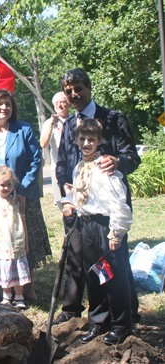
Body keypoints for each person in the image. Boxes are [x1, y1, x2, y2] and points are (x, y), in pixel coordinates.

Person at [54, 68, 141, 326]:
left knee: (115, 266)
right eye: (68, 91)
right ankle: (93, 317)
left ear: (89, 88)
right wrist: (66, 191)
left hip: (108, 211)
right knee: (84, 264)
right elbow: (61, 164)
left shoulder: (113, 119)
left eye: (78, 88)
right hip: (78, 208)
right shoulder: (69, 125)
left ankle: (126, 317)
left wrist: (118, 161)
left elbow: (132, 158)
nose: (74, 94)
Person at [0, 89, 51, 301]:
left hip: (21, 195)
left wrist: (22, 190)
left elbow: (36, 161)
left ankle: (27, 286)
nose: (3, 107)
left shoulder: (23, 129)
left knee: (24, 238)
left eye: (7, 104)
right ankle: (0, 286)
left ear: (12, 108)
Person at [58, 118, 134, 344]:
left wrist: (116, 233)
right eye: (83, 139)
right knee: (93, 276)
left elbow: (119, 201)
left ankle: (121, 325)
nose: (87, 143)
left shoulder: (104, 165)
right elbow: (81, 194)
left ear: (99, 141)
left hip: (105, 226)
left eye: (92, 139)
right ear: (76, 141)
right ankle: (99, 322)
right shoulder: (79, 166)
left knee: (112, 276)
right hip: (86, 225)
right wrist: (69, 203)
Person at [0, 166, 30, 308]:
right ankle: (6, 296)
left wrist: (26, 242)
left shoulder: (16, 201)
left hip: (17, 243)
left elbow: (22, 221)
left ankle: (19, 297)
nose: (6, 188)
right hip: (1, 244)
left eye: (9, 184)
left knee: (17, 273)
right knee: (6, 273)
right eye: (2, 185)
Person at [39, 92, 71, 204]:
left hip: (74, 166)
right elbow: (43, 144)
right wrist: (51, 125)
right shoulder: (49, 123)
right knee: (62, 203)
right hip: (57, 168)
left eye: (62, 102)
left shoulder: (75, 120)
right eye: (56, 103)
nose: (59, 105)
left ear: (69, 104)